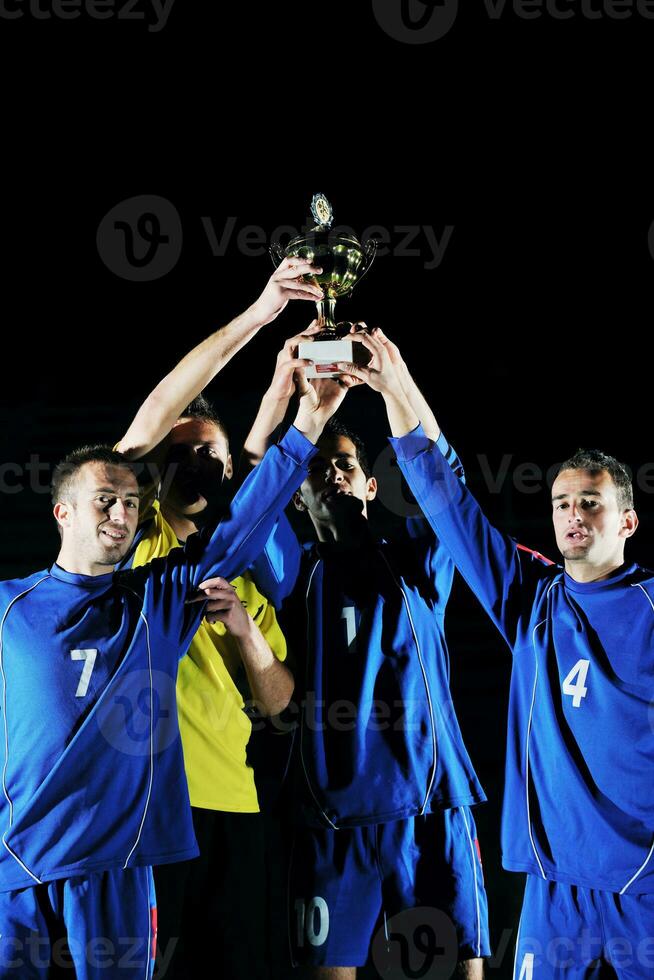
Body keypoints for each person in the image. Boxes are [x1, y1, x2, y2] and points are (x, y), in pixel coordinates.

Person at [0, 368, 342, 979]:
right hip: (76, 838)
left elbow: (244, 522)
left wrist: (306, 422)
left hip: (190, 822)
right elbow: (135, 442)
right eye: (106, 500)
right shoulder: (70, 583)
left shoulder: (203, 588)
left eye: (128, 503)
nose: (119, 511)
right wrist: (264, 344)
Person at [343, 327, 654, 979]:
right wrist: (396, 381)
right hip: (551, 889)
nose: (573, 515)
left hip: (642, 886)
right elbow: (444, 494)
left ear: (627, 521)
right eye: (563, 503)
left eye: (591, 504)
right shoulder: (532, 597)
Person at [230, 324, 490, 979]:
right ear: (297, 493)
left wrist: (394, 382)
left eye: (346, 463)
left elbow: (443, 475)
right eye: (317, 468)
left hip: (431, 807)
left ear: (371, 485)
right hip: (330, 815)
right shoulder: (291, 569)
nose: (335, 474)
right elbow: (251, 495)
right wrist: (289, 397)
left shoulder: (418, 559)